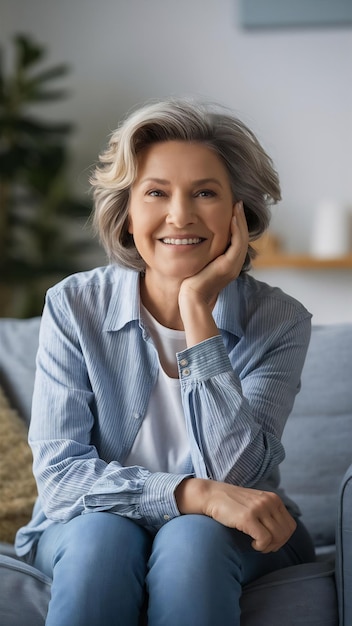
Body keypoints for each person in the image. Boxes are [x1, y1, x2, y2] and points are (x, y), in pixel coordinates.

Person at [16, 98, 315, 626]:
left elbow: (236, 476)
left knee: (194, 538)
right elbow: (62, 477)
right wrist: (190, 493)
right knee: (101, 537)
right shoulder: (73, 305)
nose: (181, 215)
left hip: (236, 534)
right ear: (127, 212)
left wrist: (198, 311)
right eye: (156, 192)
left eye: (205, 192)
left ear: (237, 213)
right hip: (89, 523)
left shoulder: (280, 321)